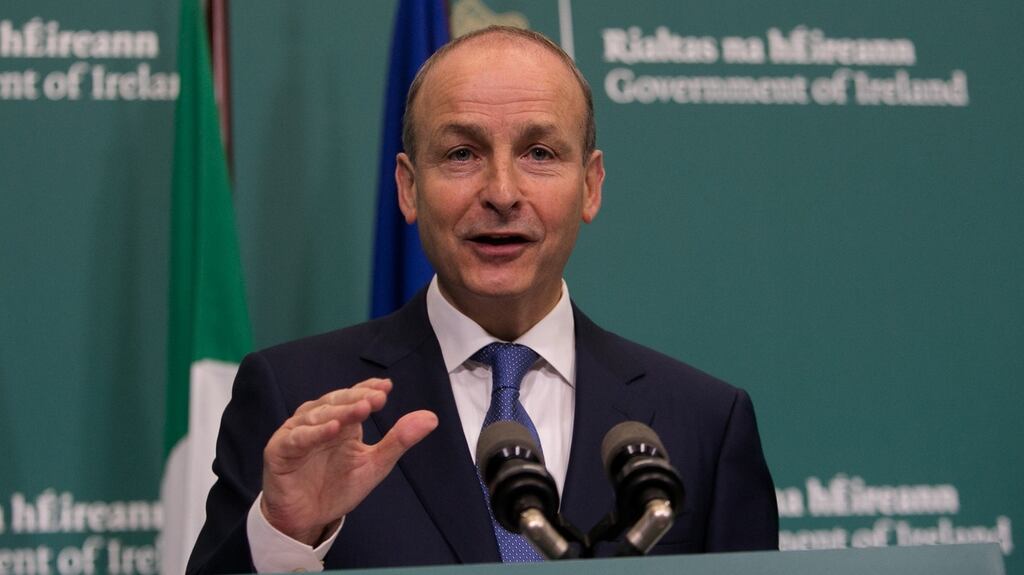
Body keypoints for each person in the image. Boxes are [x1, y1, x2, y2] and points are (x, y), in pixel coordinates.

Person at [186, 26, 778, 574]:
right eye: (462, 154)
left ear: (591, 186)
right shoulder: (297, 396)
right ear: (409, 187)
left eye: (539, 153)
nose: (501, 192)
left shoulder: (703, 422)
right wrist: (285, 533)